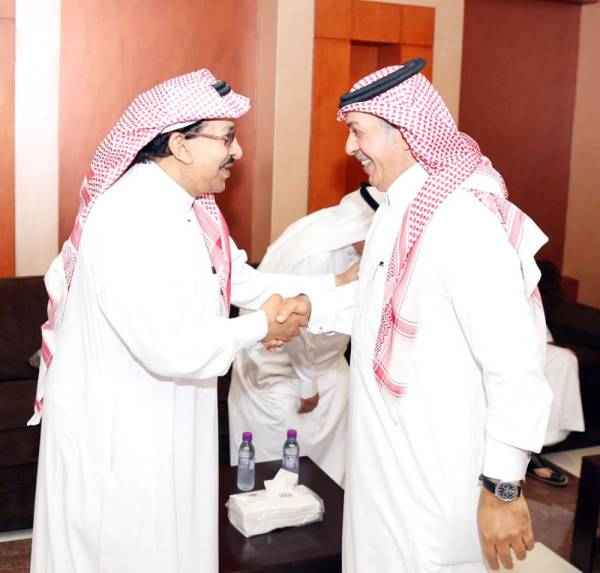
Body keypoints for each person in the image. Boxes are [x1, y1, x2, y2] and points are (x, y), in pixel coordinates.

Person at [28, 69, 350, 573]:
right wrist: (261, 327)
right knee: (128, 551)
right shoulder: (128, 216)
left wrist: (336, 286)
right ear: (179, 144)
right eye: (226, 137)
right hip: (120, 430)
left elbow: (239, 280)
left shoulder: (193, 208)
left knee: (174, 541)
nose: (238, 151)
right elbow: (165, 344)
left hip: (167, 413)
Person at [335, 59, 553, 572]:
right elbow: (373, 308)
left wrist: (502, 487)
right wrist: (304, 311)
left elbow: (515, 367)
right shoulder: (395, 213)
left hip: (437, 475)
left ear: (403, 133)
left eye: (357, 131)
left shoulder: (463, 223)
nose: (348, 147)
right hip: (381, 469)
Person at [228, 184, 383, 486]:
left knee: (329, 482)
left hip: (329, 373)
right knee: (278, 479)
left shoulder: (351, 247)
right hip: (280, 377)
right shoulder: (316, 252)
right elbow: (291, 320)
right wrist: (308, 384)